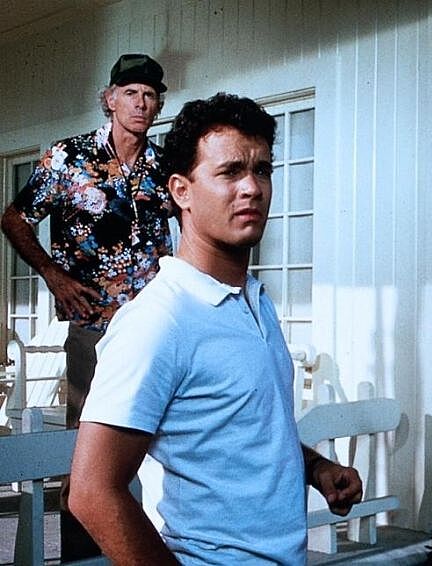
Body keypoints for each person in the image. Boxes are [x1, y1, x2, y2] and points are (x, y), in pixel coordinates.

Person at [68, 93, 363, 564]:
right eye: (230, 172)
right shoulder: (159, 320)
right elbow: (91, 492)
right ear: (181, 191)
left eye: (262, 170)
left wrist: (316, 468)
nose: (252, 188)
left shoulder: (254, 302)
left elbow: (240, 433)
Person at [0, 53, 173, 560]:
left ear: (158, 105)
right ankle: (83, 557)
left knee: (162, 442)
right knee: (88, 451)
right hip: (93, 327)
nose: (140, 103)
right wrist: (53, 275)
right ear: (110, 99)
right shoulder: (68, 157)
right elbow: (15, 218)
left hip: (156, 328)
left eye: (150, 95)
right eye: (131, 93)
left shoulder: (164, 166)